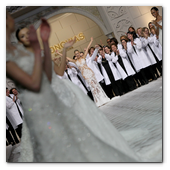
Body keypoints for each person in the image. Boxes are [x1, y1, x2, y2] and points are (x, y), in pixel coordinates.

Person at [6, 11, 140, 162]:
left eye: (28, 34)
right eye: (22, 36)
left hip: (62, 89)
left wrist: (64, 50)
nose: (27, 38)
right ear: (19, 41)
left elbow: (59, 71)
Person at [66, 39, 110, 107]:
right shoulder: (75, 61)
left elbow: (87, 49)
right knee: (92, 87)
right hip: (85, 75)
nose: (77, 54)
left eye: (78, 53)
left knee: (96, 85)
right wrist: (60, 53)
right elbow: (67, 58)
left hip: (90, 72)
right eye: (76, 54)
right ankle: (97, 101)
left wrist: (91, 41)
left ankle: (103, 98)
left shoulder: (84, 57)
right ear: (75, 55)